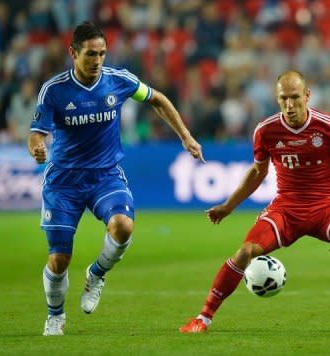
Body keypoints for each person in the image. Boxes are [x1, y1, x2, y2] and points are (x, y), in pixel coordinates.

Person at [28, 21, 204, 336]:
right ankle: (55, 315)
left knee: (123, 226)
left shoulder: (118, 81)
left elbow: (157, 99)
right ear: (73, 53)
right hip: (63, 182)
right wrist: (38, 147)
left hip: (105, 175)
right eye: (90, 54)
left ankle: (96, 274)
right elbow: (36, 135)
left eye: (102, 53)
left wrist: (185, 137)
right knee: (59, 258)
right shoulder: (54, 90)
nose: (97, 61)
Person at [179, 70, 330, 333]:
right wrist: (228, 206)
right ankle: (203, 318)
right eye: (283, 99)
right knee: (245, 252)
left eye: (295, 98)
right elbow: (257, 173)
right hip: (286, 210)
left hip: (326, 207)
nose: (289, 105)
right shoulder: (266, 131)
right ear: (276, 99)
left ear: (307, 95)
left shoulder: (329, 127)